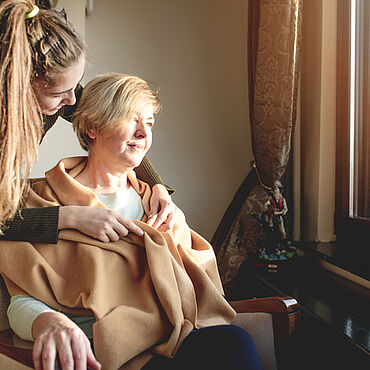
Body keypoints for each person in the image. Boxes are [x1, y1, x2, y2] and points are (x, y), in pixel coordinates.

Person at [2, 73, 262, 370]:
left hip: (171, 337)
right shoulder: (41, 201)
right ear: (92, 128)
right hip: (101, 351)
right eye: (130, 119)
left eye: (149, 122)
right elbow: (22, 301)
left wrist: (162, 197)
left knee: (234, 342)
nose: (143, 134)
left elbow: (195, 289)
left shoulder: (156, 204)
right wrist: (47, 320)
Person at [0, 0, 177, 245]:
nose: (72, 100)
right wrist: (69, 216)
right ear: (19, 85)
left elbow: (111, 125)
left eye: (75, 86)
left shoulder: (64, 92)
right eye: (58, 94)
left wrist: (157, 186)